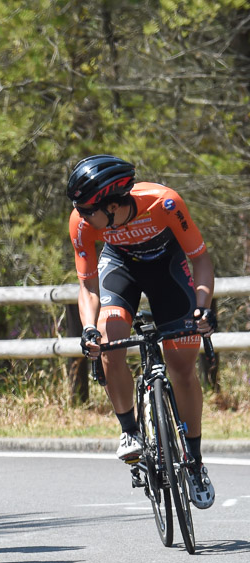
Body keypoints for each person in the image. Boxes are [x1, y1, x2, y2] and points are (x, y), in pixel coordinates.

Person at [69, 154, 216, 508]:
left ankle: (194, 461)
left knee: (182, 367)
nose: (84, 218)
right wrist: (89, 328)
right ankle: (130, 432)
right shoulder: (82, 222)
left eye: (90, 210)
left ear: (115, 203)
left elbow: (201, 260)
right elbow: (88, 287)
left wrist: (203, 306)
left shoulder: (164, 202)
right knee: (108, 337)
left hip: (168, 268)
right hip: (121, 267)